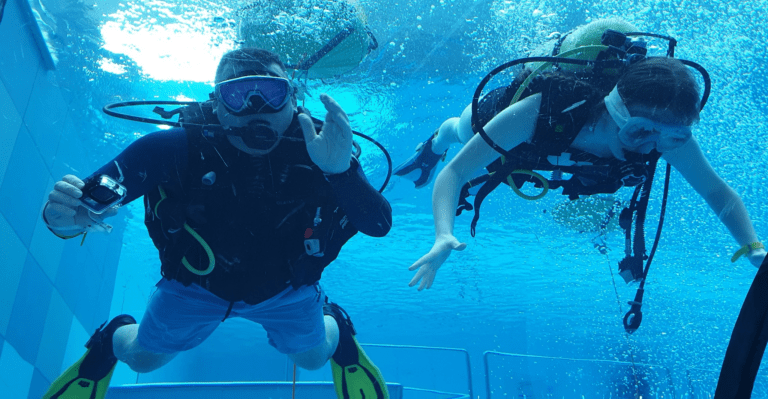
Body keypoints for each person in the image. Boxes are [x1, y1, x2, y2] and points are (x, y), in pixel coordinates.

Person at [41, 48, 393, 399]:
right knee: (143, 359)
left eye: (272, 93)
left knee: (314, 357)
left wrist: (341, 172)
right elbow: (74, 214)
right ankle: (109, 341)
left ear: (293, 98)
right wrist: (63, 216)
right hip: (194, 287)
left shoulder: (324, 148)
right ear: (217, 106)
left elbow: (378, 225)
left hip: (287, 289)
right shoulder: (170, 149)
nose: (256, 108)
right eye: (237, 95)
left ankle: (338, 329)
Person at [398, 21, 766, 290]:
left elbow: (718, 194)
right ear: (615, 111)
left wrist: (753, 248)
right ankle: (434, 142)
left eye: (673, 138)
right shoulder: (541, 110)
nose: (650, 147)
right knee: (462, 129)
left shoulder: (665, 134)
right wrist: (443, 234)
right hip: (519, 144)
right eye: (640, 131)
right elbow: (456, 173)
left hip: (553, 163)